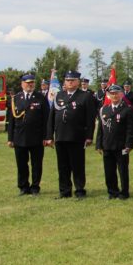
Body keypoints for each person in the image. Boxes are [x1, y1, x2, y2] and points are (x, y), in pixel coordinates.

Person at [44, 70, 97, 199]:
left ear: (78, 82)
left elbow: (90, 119)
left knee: (77, 165)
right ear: (65, 82)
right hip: (61, 136)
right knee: (63, 166)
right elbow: (51, 117)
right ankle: (64, 191)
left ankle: (79, 190)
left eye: (72, 80)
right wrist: (49, 136)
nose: (70, 82)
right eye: (68, 80)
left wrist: (89, 136)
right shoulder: (59, 96)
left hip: (77, 136)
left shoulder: (85, 96)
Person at [7, 73, 50, 196]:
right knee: (21, 164)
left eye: (32, 83)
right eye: (27, 83)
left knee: (36, 164)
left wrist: (47, 137)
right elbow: (12, 121)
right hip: (19, 137)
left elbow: (46, 119)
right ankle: (23, 187)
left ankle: (35, 186)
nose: (30, 85)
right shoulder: (16, 98)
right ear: (22, 84)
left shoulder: (40, 98)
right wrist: (10, 138)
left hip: (36, 137)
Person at [96, 84, 133, 199]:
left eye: (117, 93)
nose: (114, 95)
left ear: (121, 94)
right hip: (107, 145)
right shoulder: (104, 109)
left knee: (122, 171)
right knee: (109, 171)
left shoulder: (127, 109)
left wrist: (129, 144)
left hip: (121, 145)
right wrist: (99, 144)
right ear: (108, 95)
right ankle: (112, 192)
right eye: (112, 93)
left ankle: (124, 192)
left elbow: (130, 129)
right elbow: (100, 130)